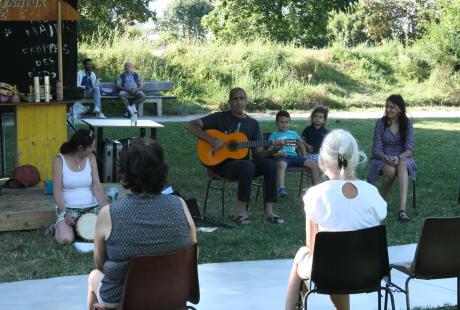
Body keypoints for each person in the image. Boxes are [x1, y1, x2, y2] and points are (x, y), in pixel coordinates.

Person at [87, 138, 197, 309]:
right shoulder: (180, 205)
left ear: (125, 172)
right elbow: (193, 251)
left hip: (125, 300)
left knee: (94, 276)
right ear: (162, 170)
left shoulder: (109, 214)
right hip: (173, 293)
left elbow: (99, 263)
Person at [285, 129, 387, 310]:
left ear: (323, 160)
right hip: (369, 272)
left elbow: (312, 247)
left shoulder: (316, 194)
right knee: (342, 257)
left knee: (303, 253)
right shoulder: (372, 193)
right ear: (355, 158)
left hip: (329, 274)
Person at [185, 87, 284, 225]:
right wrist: (211, 140)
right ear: (229, 102)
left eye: (241, 98)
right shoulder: (219, 117)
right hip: (220, 165)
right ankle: (240, 213)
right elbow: (191, 125)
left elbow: (257, 154)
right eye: (235, 99)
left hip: (243, 166)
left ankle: (269, 212)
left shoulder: (252, 124)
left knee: (270, 164)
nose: (238, 102)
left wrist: (272, 152)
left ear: (246, 101)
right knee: (248, 165)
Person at [49, 129, 107, 245]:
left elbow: (97, 186)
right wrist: (65, 213)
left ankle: (77, 229)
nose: (93, 149)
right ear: (81, 148)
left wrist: (106, 210)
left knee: (106, 234)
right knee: (66, 240)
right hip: (69, 209)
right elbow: (57, 190)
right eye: (91, 147)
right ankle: (57, 227)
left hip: (91, 208)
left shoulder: (91, 158)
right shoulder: (59, 160)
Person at [367, 94, 415, 222]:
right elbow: (376, 149)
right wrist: (385, 157)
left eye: (391, 107)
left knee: (402, 165)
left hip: (402, 157)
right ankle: (382, 202)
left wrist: (398, 157)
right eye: (387, 107)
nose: (388, 110)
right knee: (390, 170)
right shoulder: (380, 123)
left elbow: (409, 149)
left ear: (399, 109)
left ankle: (402, 210)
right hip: (383, 158)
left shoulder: (407, 124)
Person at [268, 110, 320, 198]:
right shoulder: (274, 135)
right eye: (281, 122)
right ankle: (281, 188)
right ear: (276, 123)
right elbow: (270, 150)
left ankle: (317, 189)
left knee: (313, 164)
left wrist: (304, 157)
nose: (284, 124)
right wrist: (279, 153)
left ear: (289, 122)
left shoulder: (293, 134)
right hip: (281, 157)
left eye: (286, 122)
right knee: (281, 165)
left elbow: (300, 145)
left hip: (294, 157)